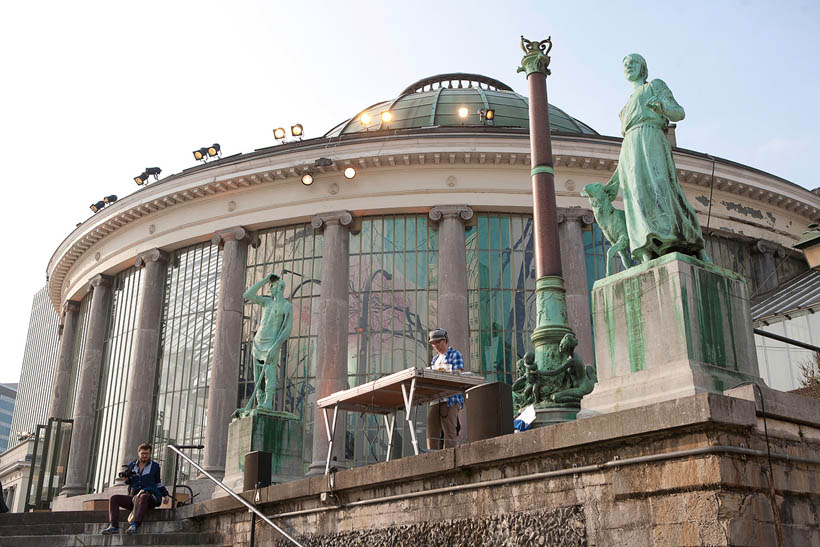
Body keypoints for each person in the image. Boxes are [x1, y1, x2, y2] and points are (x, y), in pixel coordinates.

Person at [604, 53, 709, 264]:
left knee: (663, 191)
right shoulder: (625, 107)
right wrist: (615, 180)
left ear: (643, 67)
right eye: (625, 64)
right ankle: (647, 247)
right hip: (630, 149)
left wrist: (662, 109)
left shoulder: (654, 86)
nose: (628, 66)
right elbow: (624, 147)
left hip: (651, 140)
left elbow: (678, 113)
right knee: (637, 197)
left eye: (633, 63)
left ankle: (687, 242)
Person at [242, 272, 293, 412]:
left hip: (271, 343)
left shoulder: (286, 306)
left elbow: (287, 329)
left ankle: (268, 402)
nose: (269, 288)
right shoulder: (266, 302)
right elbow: (247, 295)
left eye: (271, 286)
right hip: (258, 342)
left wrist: (276, 346)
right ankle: (260, 401)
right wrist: (264, 280)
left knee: (269, 373)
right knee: (257, 375)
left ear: (279, 288)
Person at [101, 443, 170, 535]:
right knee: (114, 498)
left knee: (143, 496)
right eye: (143, 453)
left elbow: (158, 482)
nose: (145, 456)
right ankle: (113, 526)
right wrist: (126, 479)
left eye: (147, 453)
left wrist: (165, 495)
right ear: (138, 453)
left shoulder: (155, 466)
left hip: (150, 497)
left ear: (150, 454)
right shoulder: (132, 465)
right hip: (135, 497)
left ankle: (135, 525)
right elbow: (129, 482)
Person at [426, 328, 464, 450]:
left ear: (445, 341)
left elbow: (458, 375)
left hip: (450, 398)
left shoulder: (455, 354)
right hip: (436, 398)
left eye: (438, 342)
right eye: (433, 343)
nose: (435, 346)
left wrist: (443, 372)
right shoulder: (434, 360)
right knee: (432, 429)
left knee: (449, 430)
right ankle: (431, 456)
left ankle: (451, 455)